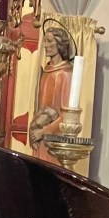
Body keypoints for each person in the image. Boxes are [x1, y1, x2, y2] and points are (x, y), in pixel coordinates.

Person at [29, 25, 75, 162]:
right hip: (39, 138)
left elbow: (66, 116)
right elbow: (40, 108)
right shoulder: (46, 71)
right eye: (44, 41)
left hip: (53, 141)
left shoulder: (65, 73)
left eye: (49, 41)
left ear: (60, 44)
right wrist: (34, 129)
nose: (45, 45)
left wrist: (44, 131)